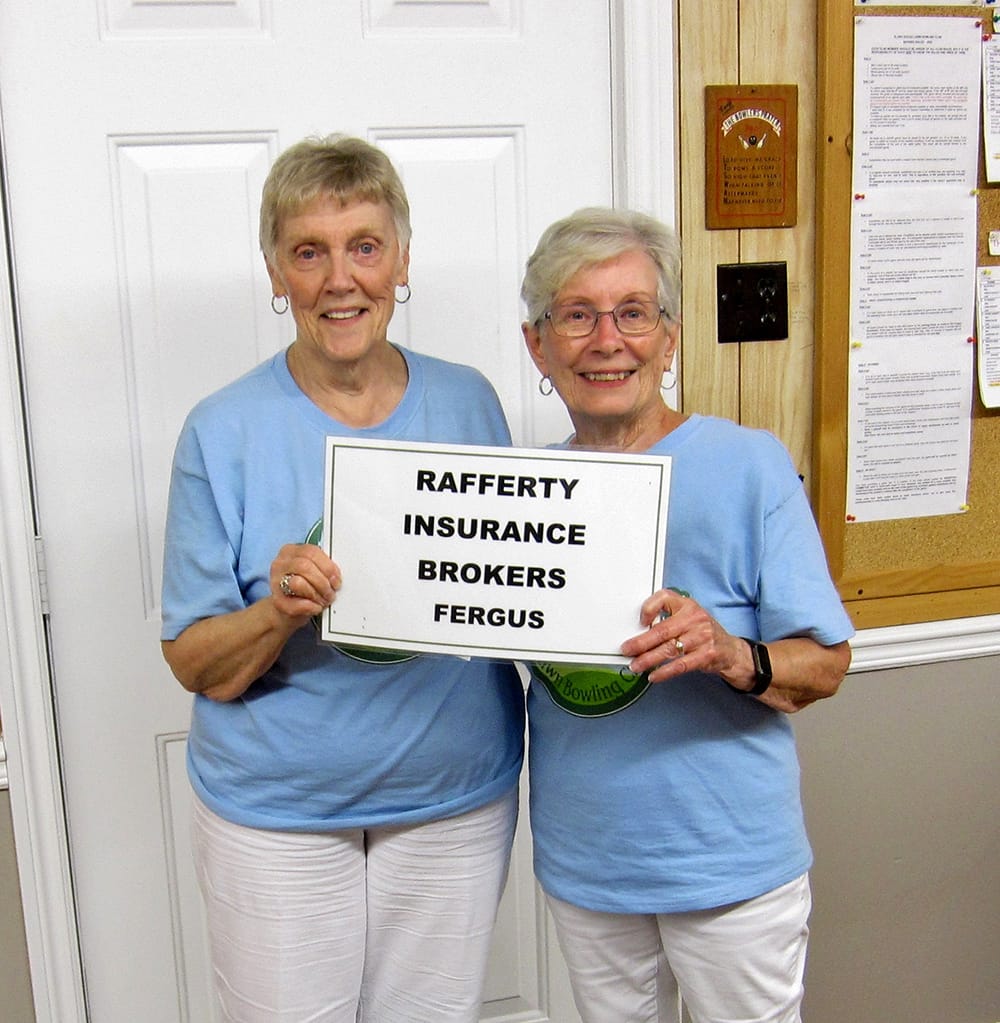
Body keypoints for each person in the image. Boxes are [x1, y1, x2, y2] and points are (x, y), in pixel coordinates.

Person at [160, 134, 525, 1023]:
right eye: (309, 252)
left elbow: (514, 586)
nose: (340, 279)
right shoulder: (221, 431)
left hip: (454, 804)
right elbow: (195, 661)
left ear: (400, 259)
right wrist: (276, 611)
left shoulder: (470, 400)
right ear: (276, 273)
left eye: (364, 245)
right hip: (277, 817)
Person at [519, 207, 854, 1023]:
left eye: (634, 313)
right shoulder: (518, 494)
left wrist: (732, 651)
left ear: (669, 339)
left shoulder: (748, 464)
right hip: (588, 862)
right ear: (539, 344)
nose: (608, 339)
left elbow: (826, 663)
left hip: (729, 863)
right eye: (577, 315)